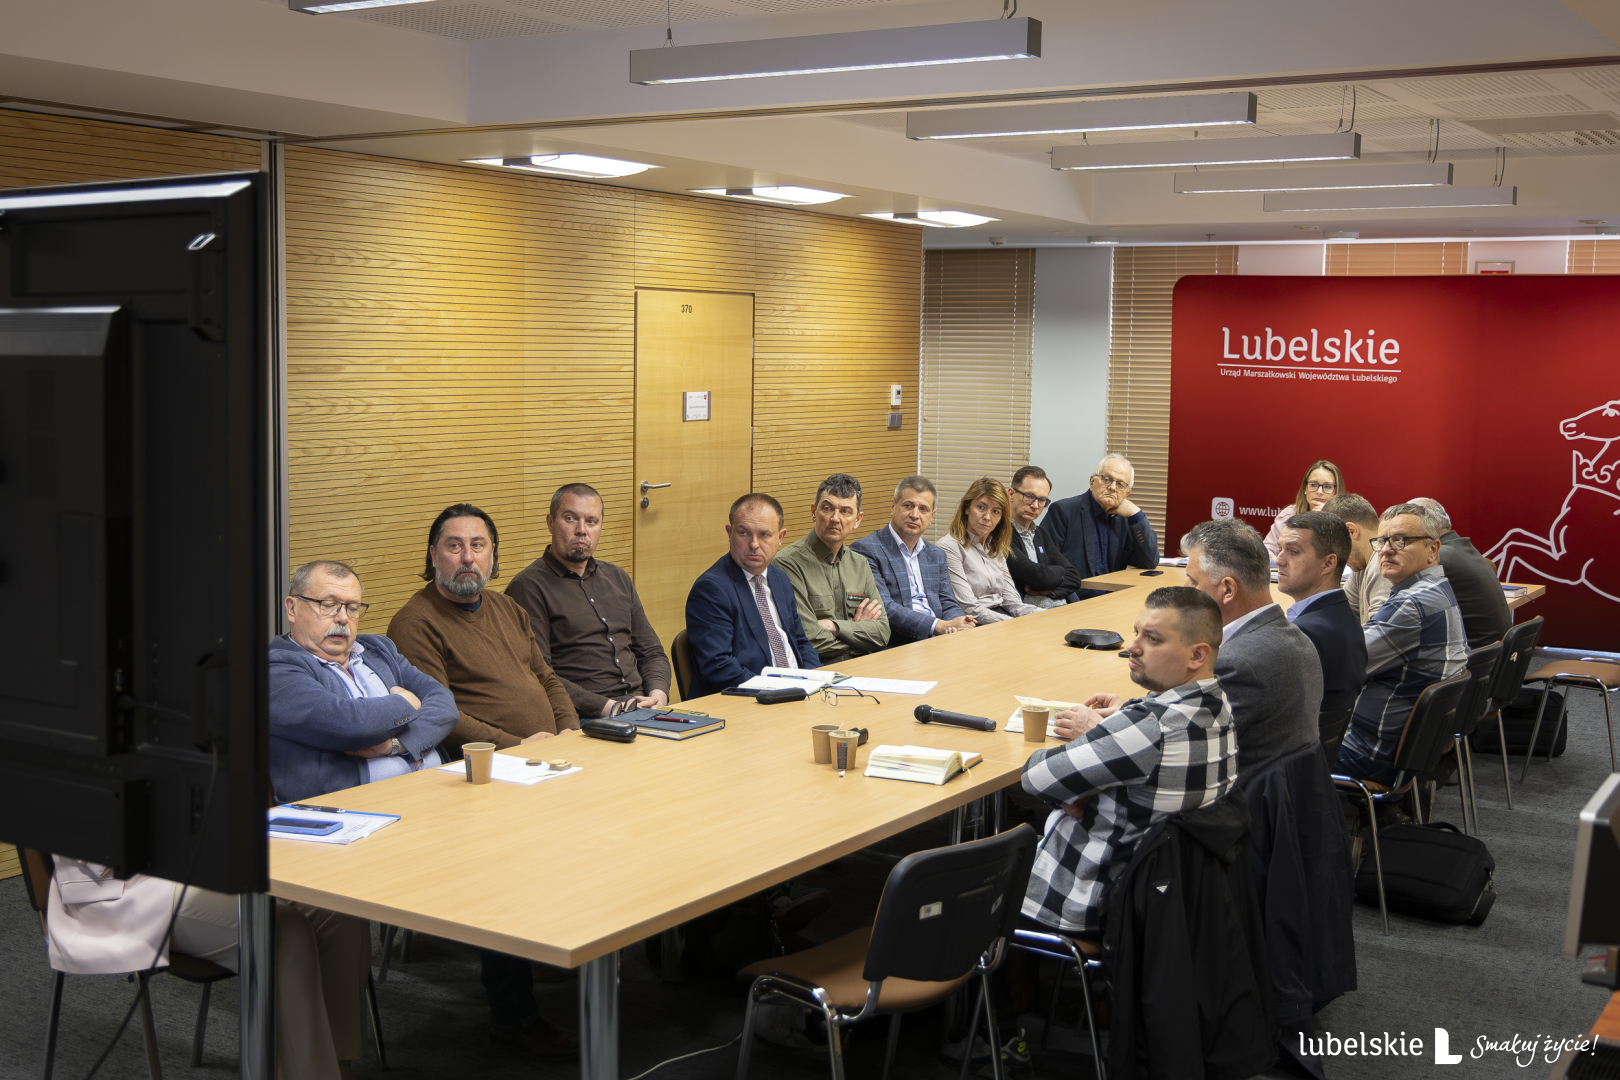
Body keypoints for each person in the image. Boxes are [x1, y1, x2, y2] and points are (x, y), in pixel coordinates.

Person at [387, 502, 579, 1061]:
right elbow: (441, 715)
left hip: (546, 759)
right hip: (478, 777)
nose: (467, 557)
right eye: (454, 546)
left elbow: (546, 677)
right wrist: (521, 748)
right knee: (508, 867)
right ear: (433, 555)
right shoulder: (415, 622)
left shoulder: (505, 607)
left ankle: (566, 942)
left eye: (478, 546)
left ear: (494, 556)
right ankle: (514, 1016)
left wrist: (570, 733)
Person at [1020, 586, 1238, 935]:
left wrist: (1080, 789)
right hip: (1167, 898)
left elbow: (1035, 776)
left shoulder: (1148, 730)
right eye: (1136, 632)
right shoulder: (1219, 705)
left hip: (1089, 902)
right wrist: (1112, 734)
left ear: (1197, 655)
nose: (1132, 647)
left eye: (1152, 639)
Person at [45, 857, 370, 1080]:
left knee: (335, 907)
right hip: (124, 883)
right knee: (281, 932)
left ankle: (335, 1066)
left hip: (205, 855)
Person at [270, 559, 458, 804]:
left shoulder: (378, 649)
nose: (343, 618)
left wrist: (396, 745)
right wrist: (406, 702)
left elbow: (444, 704)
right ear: (292, 609)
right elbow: (350, 724)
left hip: (435, 791)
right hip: (353, 808)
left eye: (352, 607)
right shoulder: (276, 669)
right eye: (329, 605)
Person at [505, 483, 673, 717]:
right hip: (586, 717)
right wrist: (608, 708)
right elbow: (537, 672)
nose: (581, 530)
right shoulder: (527, 587)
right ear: (551, 522)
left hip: (643, 709)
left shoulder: (618, 577)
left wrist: (658, 695)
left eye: (591, 521)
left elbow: (651, 652)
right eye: (570, 519)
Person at [1336, 502, 1468, 785]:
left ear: (1433, 549)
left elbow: (1341, 665)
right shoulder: (1434, 588)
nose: (1385, 550)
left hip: (1367, 754)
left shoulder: (1413, 603)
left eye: (1400, 540)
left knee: (1268, 752)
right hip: (1397, 750)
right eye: (1382, 541)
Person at [1182, 518, 1322, 778]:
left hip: (1233, 797)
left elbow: (1176, 748)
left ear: (1227, 589)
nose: (1185, 590)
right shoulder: (1298, 638)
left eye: (1192, 581)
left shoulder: (1235, 664)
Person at [685, 493, 821, 698]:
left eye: (764, 535)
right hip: (748, 699)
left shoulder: (779, 578)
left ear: (780, 538)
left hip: (798, 693)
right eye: (744, 533)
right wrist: (780, 690)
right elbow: (719, 667)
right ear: (729, 533)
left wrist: (815, 680)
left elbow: (800, 642)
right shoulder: (711, 589)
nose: (754, 544)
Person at [774, 473, 891, 664]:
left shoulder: (860, 564)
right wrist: (857, 636)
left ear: (858, 519)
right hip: (816, 667)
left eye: (845, 511)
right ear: (814, 512)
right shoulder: (787, 563)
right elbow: (807, 638)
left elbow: (882, 632)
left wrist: (833, 626)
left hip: (862, 665)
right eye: (827, 508)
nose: (835, 518)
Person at [849, 475, 975, 646]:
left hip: (941, 640)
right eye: (908, 506)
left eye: (923, 509)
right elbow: (884, 607)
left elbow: (948, 602)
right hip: (899, 644)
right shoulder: (866, 549)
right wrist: (937, 626)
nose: (915, 515)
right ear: (893, 507)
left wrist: (959, 623)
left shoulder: (936, 555)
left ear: (932, 516)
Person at [1274, 512, 1368, 716]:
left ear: (1328, 564)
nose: (1278, 560)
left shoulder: (1303, 634)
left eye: (1293, 551)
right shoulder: (1347, 618)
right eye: (1280, 549)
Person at [1043, 454, 1160, 601]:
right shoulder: (1063, 511)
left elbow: (1149, 561)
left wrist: (1137, 515)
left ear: (1127, 493)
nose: (1112, 488)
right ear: (1092, 481)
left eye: (1120, 484)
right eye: (1106, 479)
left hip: (1113, 600)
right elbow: (1046, 565)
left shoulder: (1126, 519)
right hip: (1074, 600)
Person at [1410, 496, 1513, 649]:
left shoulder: (1439, 557)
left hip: (1475, 658)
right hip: (1493, 654)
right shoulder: (1461, 547)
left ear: (1426, 526)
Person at [936, 477, 1040, 624]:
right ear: (967, 508)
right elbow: (970, 608)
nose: (987, 517)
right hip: (975, 623)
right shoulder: (949, 547)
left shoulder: (996, 549)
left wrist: (1048, 614)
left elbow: (1013, 603)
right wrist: (1013, 624)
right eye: (981, 507)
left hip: (1002, 617)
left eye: (995, 511)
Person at [1004, 465, 1082, 609]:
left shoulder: (1041, 534)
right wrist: (1060, 571)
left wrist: (1048, 591)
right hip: (1027, 614)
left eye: (1042, 500)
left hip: (1061, 608)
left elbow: (1074, 577)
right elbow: (1038, 576)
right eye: (1029, 496)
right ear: (1011, 494)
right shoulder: (1001, 533)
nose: (1035, 505)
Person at [1322, 492, 1390, 626]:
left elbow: (1378, 631)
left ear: (1351, 531)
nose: (1337, 557)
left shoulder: (1383, 563)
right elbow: (1338, 614)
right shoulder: (1361, 565)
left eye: (1334, 547)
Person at [1263, 460, 1345, 559]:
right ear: (1305, 489)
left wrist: (1324, 522)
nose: (1319, 491)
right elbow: (1267, 550)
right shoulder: (1289, 514)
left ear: (1336, 491)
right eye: (1313, 485)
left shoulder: (1346, 519)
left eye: (1327, 487)